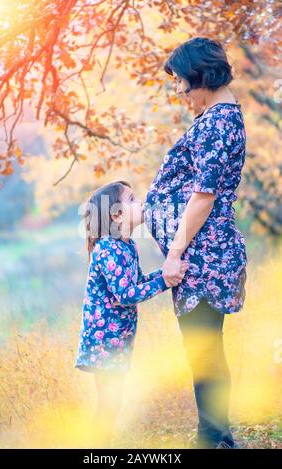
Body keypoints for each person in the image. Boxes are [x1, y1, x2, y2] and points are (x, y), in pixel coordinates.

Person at [144, 37, 248, 449]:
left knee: (202, 350)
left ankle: (214, 440)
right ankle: (215, 437)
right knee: (205, 349)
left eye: (181, 81)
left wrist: (173, 254)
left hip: (201, 257)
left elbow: (203, 196)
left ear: (200, 77)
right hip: (203, 253)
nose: (179, 91)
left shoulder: (219, 122)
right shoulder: (219, 118)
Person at [75, 180, 188, 447]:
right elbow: (126, 295)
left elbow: (136, 283)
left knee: (113, 403)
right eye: (133, 200)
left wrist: (165, 272)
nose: (141, 204)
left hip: (118, 341)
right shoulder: (107, 249)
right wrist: (165, 281)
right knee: (108, 404)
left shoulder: (126, 246)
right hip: (103, 343)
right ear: (116, 214)